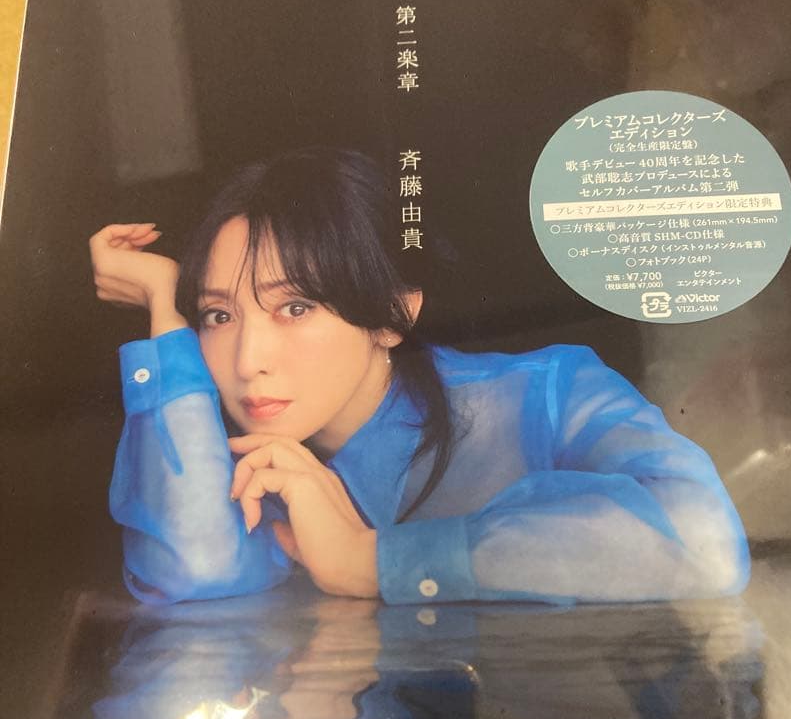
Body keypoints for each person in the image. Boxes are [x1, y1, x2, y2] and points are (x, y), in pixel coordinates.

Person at [89, 146, 750, 606]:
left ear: (393, 315)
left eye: (295, 307)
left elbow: (706, 542)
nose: (246, 360)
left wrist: (370, 560)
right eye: (218, 315)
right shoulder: (254, 466)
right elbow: (192, 570)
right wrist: (166, 308)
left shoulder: (548, 394)